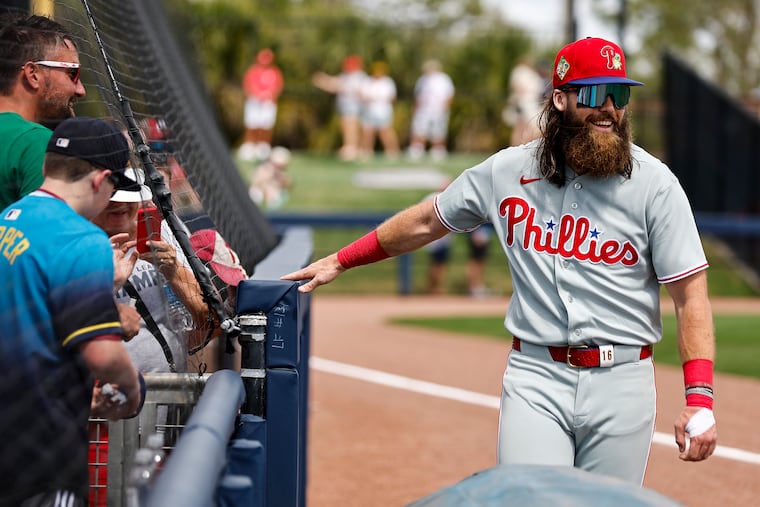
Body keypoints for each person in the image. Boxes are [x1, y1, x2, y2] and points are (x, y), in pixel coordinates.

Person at [282, 37, 718, 484]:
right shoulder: (507, 171)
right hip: (535, 377)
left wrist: (699, 398)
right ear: (560, 98)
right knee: (526, 496)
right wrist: (342, 259)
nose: (608, 107)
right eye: (593, 94)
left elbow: (690, 297)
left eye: (619, 94)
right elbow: (428, 221)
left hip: (623, 381)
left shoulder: (656, 185)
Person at [0, 117, 144, 506]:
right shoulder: (81, 239)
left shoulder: (7, 220)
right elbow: (104, 356)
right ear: (100, 180)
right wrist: (132, 390)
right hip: (40, 451)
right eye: (114, 187)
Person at [92, 167, 210, 373]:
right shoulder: (78, 246)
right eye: (110, 198)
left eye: (127, 197)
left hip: (172, 383)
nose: (119, 204)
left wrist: (174, 271)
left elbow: (207, 318)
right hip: (112, 388)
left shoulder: (165, 231)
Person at [0, 13, 86, 209]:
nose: (81, 90)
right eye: (72, 73)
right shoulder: (34, 143)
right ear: (33, 74)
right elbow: (47, 234)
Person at [312, 55, 367, 161]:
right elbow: (335, 83)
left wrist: (323, 81)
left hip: (352, 106)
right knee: (348, 126)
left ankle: (351, 148)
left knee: (350, 126)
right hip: (348, 106)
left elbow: (337, 86)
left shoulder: (357, 76)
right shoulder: (349, 76)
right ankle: (351, 147)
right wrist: (323, 80)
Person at [239, 48, 284, 162]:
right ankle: (249, 146)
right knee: (252, 123)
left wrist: (269, 96)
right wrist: (257, 95)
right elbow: (248, 85)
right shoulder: (253, 71)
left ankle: (263, 147)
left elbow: (278, 87)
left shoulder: (275, 72)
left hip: (268, 102)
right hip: (254, 101)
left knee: (266, 125)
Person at [408, 59, 455, 161]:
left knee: (438, 131)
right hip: (424, 110)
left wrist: (444, 108)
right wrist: (416, 108)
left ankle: (438, 150)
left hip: (438, 110)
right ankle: (417, 149)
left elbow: (449, 95)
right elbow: (418, 95)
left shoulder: (444, 79)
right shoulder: (422, 79)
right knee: (419, 129)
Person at [359, 61, 399, 159]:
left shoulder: (388, 82)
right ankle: (366, 151)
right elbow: (362, 96)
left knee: (385, 131)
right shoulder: (367, 81)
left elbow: (392, 97)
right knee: (367, 132)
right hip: (369, 110)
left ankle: (392, 151)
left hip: (383, 111)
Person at [502, 59, 547, 146]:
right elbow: (517, 87)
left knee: (529, 128)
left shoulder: (532, 75)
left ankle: (524, 146)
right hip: (523, 103)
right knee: (520, 127)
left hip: (532, 104)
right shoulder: (520, 72)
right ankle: (516, 148)